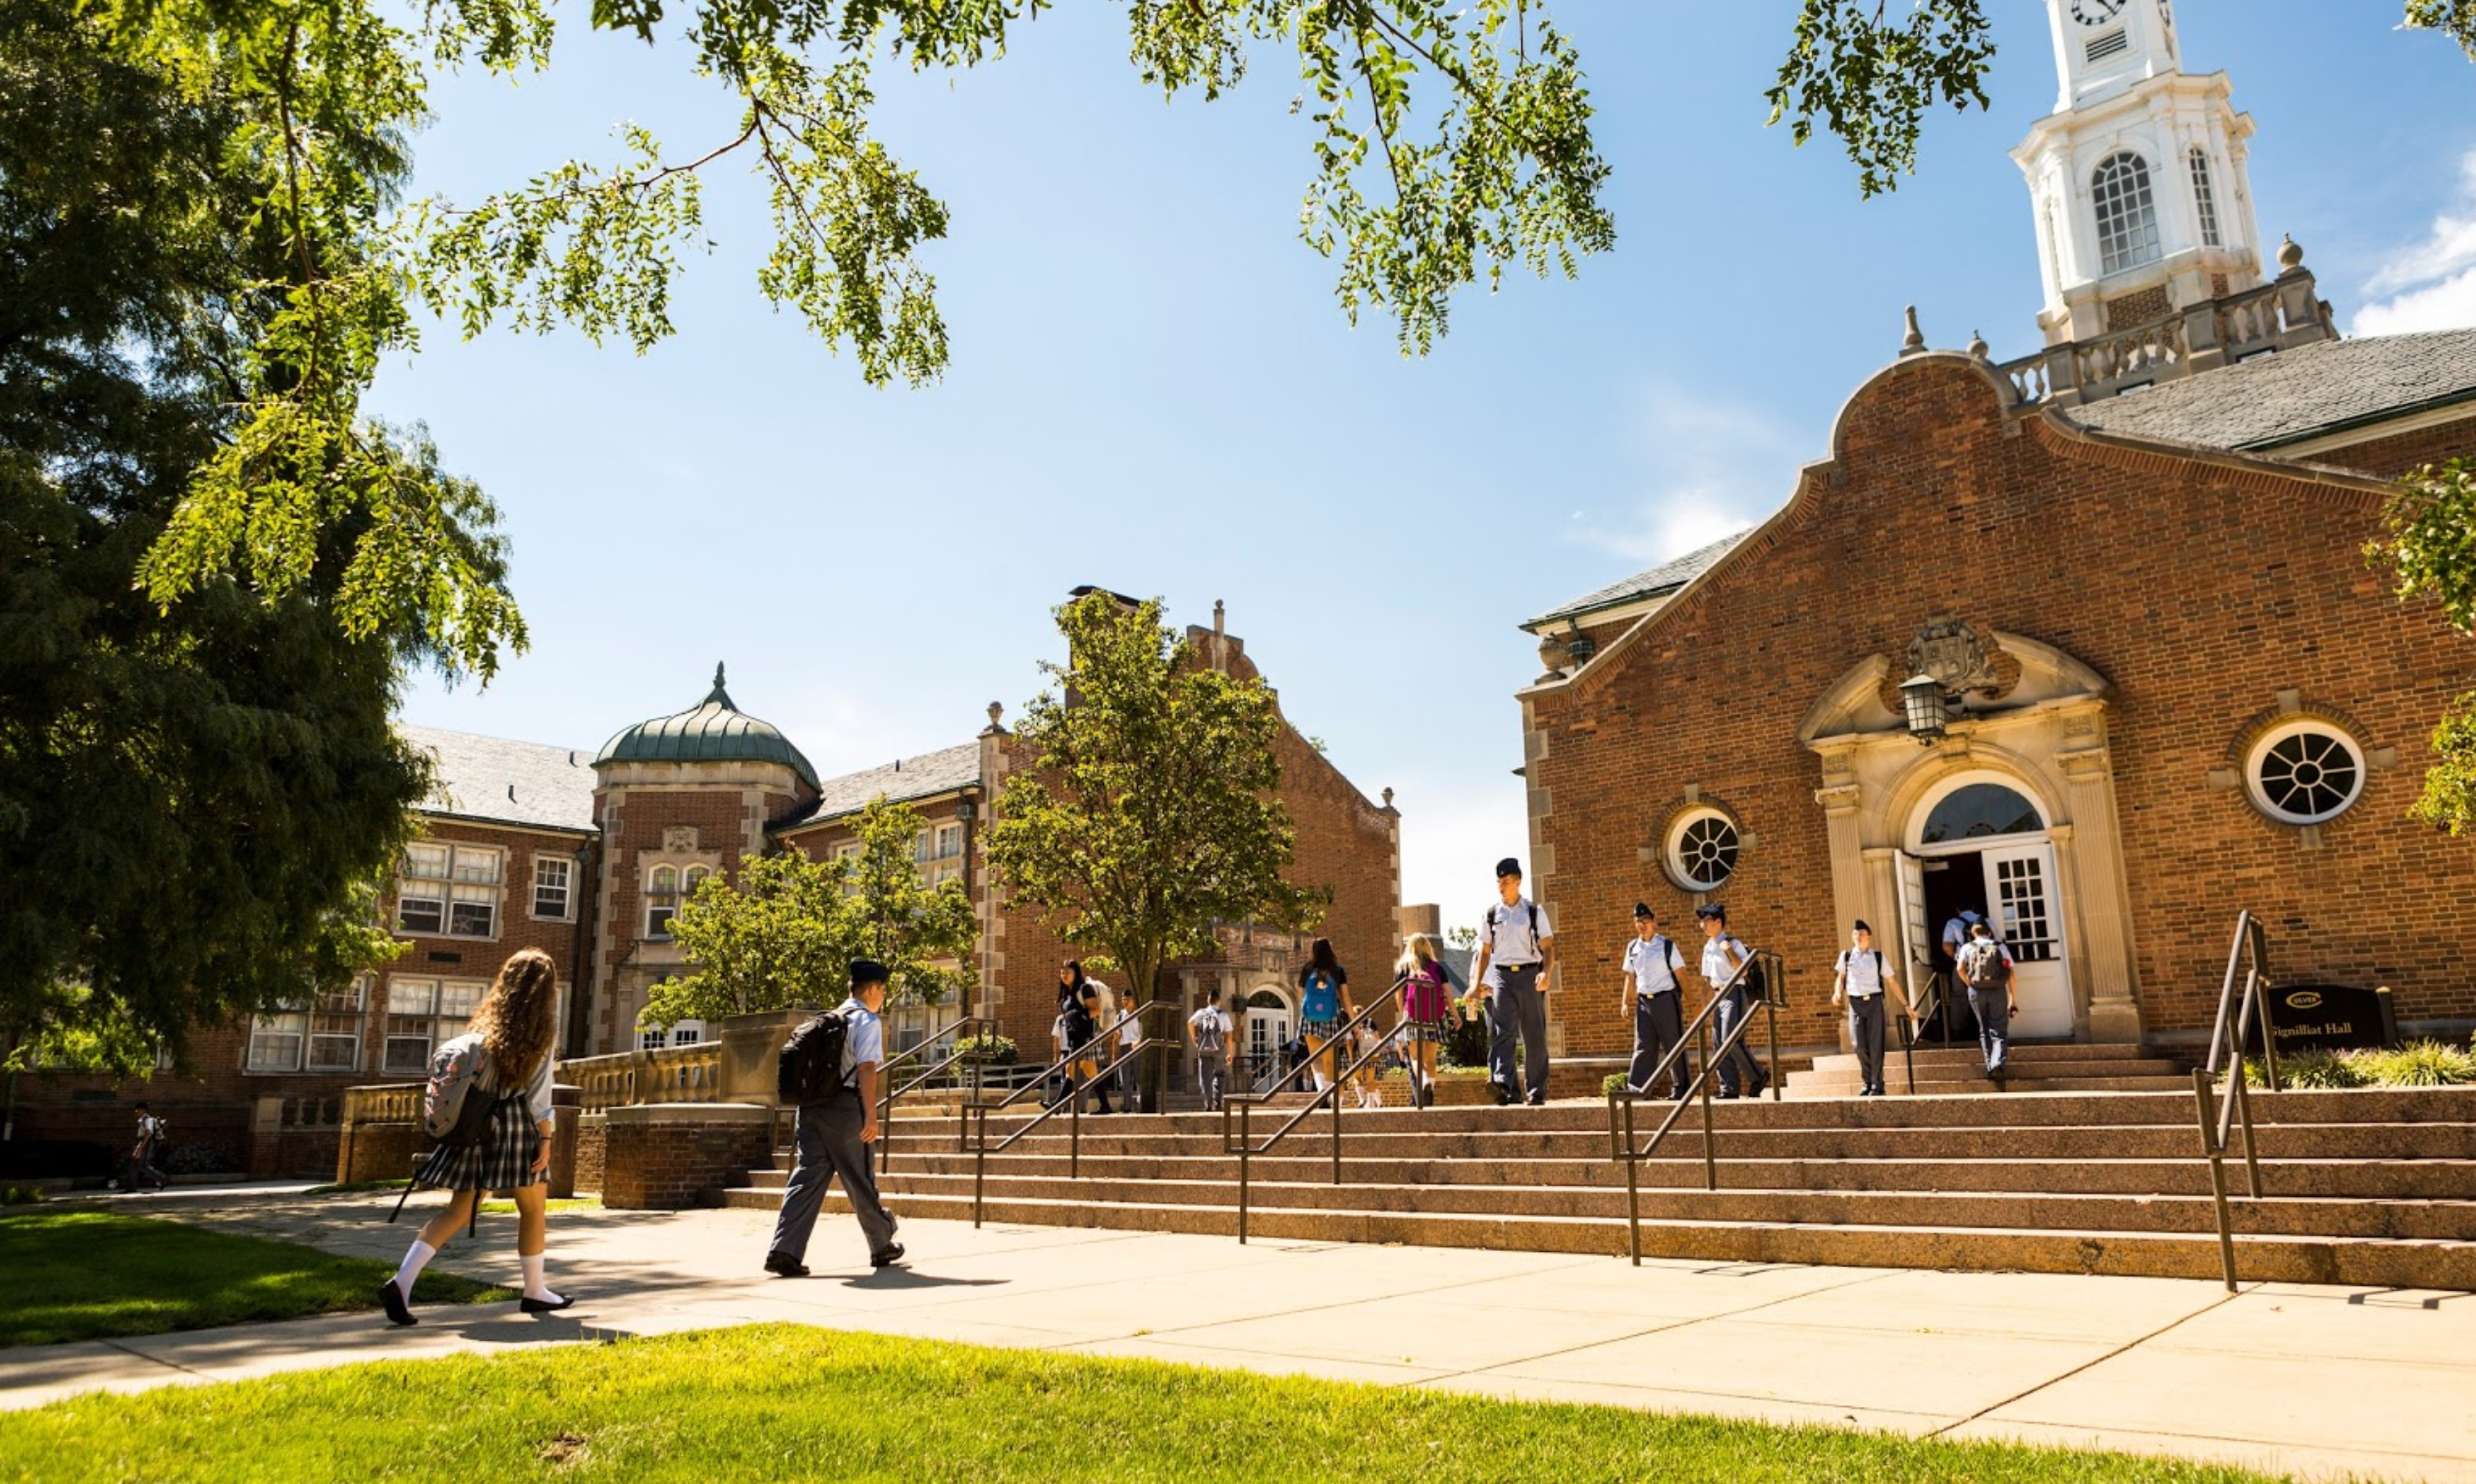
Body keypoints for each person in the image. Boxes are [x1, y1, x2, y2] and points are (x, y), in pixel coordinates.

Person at [381, 947, 571, 1325]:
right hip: (515, 1127)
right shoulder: (538, 1035)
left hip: (477, 1128)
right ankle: (535, 1291)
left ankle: (402, 1282)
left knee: (458, 1209)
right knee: (533, 1209)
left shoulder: (483, 1030)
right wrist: (547, 1138)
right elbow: (538, 1097)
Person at [765, 958, 904, 1277]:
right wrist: (871, 1115)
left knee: (806, 1178)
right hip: (845, 1109)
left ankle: (784, 1250)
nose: (882, 996)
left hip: (811, 1110)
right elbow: (868, 1069)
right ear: (872, 990)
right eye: (882, 990)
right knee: (859, 1176)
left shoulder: (828, 1019)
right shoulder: (866, 1022)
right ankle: (882, 1242)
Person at [1470, 857, 1554, 1105]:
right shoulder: (1491, 914)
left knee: (1533, 1035)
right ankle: (1503, 1085)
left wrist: (1546, 973)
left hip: (1530, 975)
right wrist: (1475, 985)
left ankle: (1536, 1091)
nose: (1501, 886)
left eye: (1506, 881)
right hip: (1502, 977)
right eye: (1499, 882)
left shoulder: (1533, 911)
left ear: (1518, 882)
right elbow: (1485, 952)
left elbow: (1548, 947)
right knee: (1501, 1033)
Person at [1831, 920, 1916, 1098]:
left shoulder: (1877, 957)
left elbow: (1891, 981)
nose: (1858, 936)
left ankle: (1876, 1083)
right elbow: (1841, 977)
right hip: (1855, 1003)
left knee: (1876, 1045)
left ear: (1868, 936)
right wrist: (1837, 993)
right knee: (1858, 1045)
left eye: (1861, 933)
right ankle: (1868, 1080)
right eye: (1855, 934)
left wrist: (1906, 1005)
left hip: (1875, 1003)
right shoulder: (1846, 956)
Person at [1694, 904, 1768, 1100]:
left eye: (1706, 921)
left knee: (1730, 1038)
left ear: (1718, 922)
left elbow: (1743, 970)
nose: (1702, 925)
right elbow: (1707, 979)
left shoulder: (1733, 943)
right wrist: (1702, 1005)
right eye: (1702, 922)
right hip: (1718, 997)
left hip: (1734, 993)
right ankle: (1729, 1088)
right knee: (1719, 1043)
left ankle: (1758, 1075)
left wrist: (1729, 951)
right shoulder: (1708, 948)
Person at [1622, 904, 1691, 1100]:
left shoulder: (1667, 945)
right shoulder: (1632, 948)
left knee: (1673, 1044)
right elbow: (1630, 976)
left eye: (1645, 920)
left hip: (1666, 1000)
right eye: (1638, 921)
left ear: (1654, 922)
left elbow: (1681, 975)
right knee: (1643, 1046)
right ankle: (1638, 1090)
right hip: (1644, 1002)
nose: (1642, 925)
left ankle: (1681, 1088)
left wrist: (1693, 1004)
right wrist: (1625, 1002)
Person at [1395, 934, 1455, 1109]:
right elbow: (1448, 994)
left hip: (1413, 1016)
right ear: (1428, 947)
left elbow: (1399, 995)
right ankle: (1431, 1089)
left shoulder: (1404, 967)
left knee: (1416, 1057)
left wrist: (1403, 1012)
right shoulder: (1437, 967)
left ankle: (1423, 1084)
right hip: (1435, 1016)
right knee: (1431, 1058)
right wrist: (1456, 1015)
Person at [1957, 920, 2019, 1080]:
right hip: (1997, 990)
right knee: (1999, 1028)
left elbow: (1960, 969)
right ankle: (1997, 1063)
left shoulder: (1967, 947)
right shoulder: (2001, 947)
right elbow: (2011, 973)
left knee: (1984, 1029)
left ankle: (1990, 1066)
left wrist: (1970, 984)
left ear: (1972, 934)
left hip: (1977, 991)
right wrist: (2013, 998)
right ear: (1990, 932)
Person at [1295, 938, 1353, 1095]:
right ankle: (1328, 1093)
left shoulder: (1308, 969)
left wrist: (1306, 1009)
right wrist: (1354, 1022)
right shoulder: (1337, 970)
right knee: (1329, 1060)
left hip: (1309, 1017)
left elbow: (1300, 994)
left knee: (1315, 1057)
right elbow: (1346, 998)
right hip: (1331, 1016)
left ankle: (1320, 1088)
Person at [1059, 961, 1109, 1114]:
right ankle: (1106, 1106)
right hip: (1075, 1038)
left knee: (1070, 1069)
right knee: (1091, 1072)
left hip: (1086, 1037)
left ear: (1076, 973)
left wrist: (1078, 1015)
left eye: (1068, 971)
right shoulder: (1068, 994)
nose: (1064, 975)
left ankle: (1056, 1106)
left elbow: (1096, 1010)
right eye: (1062, 972)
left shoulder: (1085, 989)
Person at [1189, 997, 1235, 1112]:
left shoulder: (1201, 1013)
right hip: (1219, 1048)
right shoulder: (1223, 1015)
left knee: (1205, 1077)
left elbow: (1190, 1023)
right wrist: (1230, 1053)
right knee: (1219, 1074)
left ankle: (1208, 1104)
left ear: (1208, 1001)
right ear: (1219, 1001)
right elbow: (1229, 1036)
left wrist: (1194, 1038)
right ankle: (1218, 1103)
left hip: (1204, 1047)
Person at [117, 1102, 168, 1191]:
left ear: (143, 1110)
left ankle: (162, 1178)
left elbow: (149, 1134)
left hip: (146, 1143)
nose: (136, 1112)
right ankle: (131, 1188)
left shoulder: (148, 1120)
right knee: (134, 1165)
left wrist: (140, 1149)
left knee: (143, 1165)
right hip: (142, 1142)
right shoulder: (143, 1120)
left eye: (137, 1110)